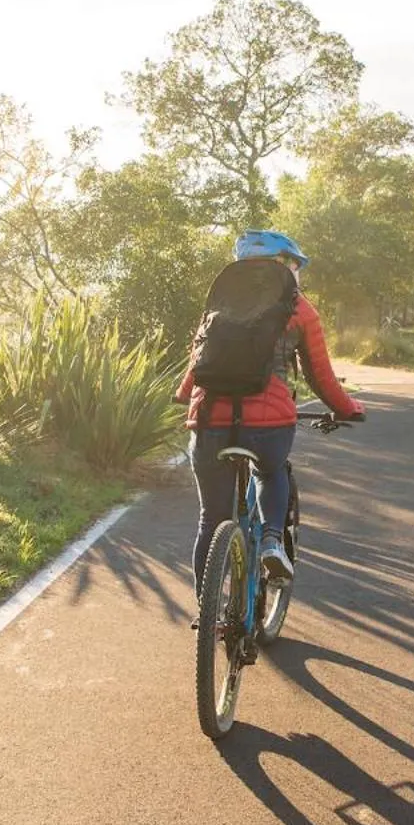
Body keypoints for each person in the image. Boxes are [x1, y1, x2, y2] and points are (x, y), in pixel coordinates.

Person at [176, 230, 364, 605]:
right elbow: (320, 376)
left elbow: (199, 362)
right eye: (296, 266)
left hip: (209, 419)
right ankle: (272, 541)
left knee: (210, 521)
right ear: (284, 265)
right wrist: (347, 409)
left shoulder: (220, 302)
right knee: (270, 470)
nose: (298, 274)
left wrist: (184, 396)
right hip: (268, 424)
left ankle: (207, 614)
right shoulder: (300, 309)